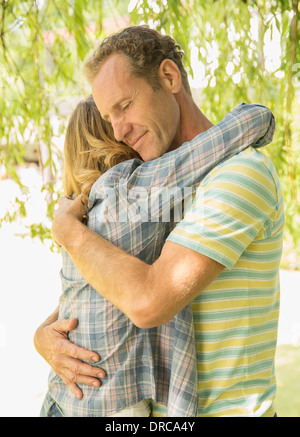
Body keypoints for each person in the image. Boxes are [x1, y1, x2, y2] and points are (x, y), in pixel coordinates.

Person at [35, 26, 284, 417]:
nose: (118, 130)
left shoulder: (239, 175)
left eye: (124, 106)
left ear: (169, 77)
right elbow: (102, 288)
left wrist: (71, 233)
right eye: (108, 117)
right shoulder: (155, 193)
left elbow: (147, 301)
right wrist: (44, 336)